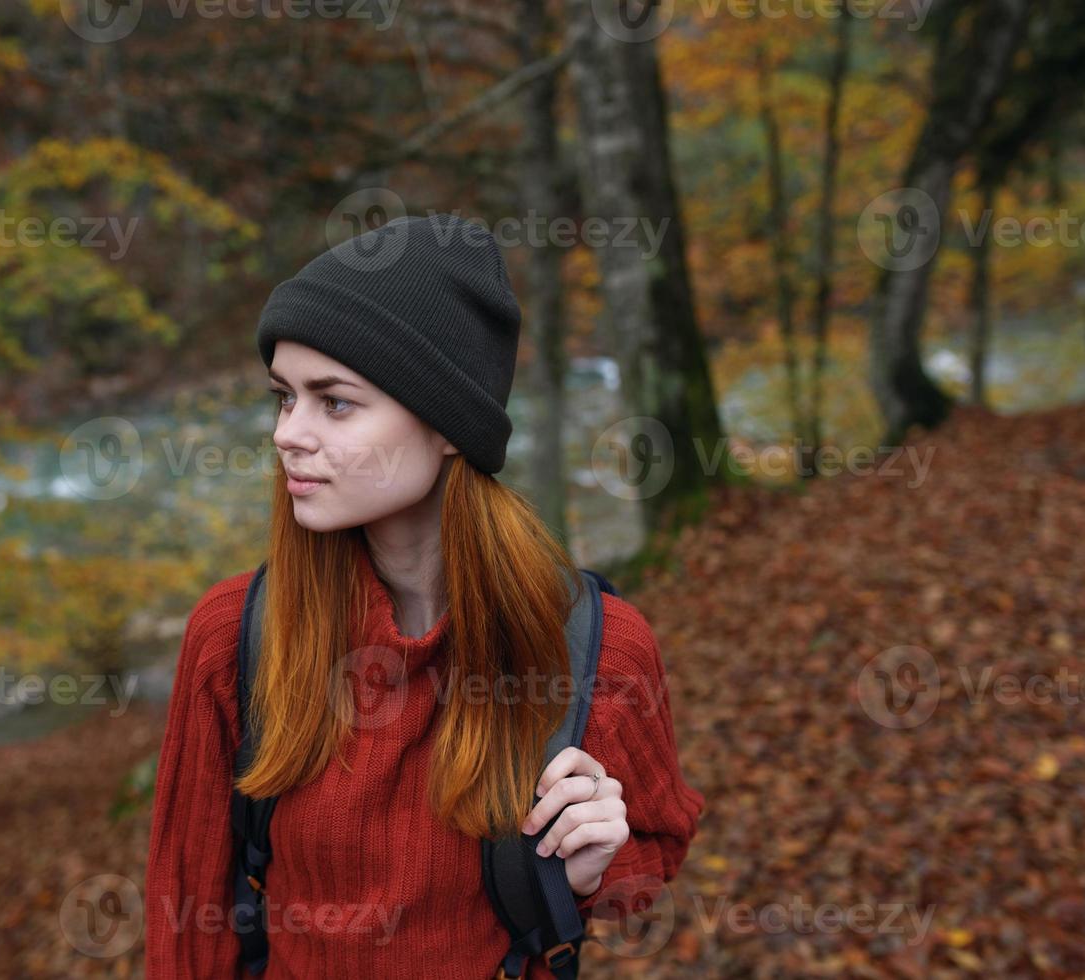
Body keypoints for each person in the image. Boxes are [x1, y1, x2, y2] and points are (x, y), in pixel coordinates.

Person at [143, 213, 704, 978]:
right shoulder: (237, 636)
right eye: (284, 396)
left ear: (448, 426)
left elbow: (644, 876)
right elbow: (187, 929)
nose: (288, 433)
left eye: (333, 401)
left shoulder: (592, 647)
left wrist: (592, 866)